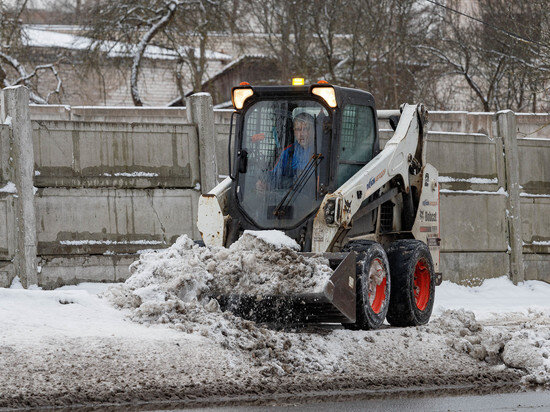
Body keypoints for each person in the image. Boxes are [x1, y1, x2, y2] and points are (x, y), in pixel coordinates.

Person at [256, 112, 316, 191]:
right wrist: (263, 181)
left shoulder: (320, 151)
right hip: (290, 197)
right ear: (294, 132)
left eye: (306, 129)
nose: (301, 134)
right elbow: (275, 175)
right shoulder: (289, 151)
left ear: (314, 130)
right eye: (298, 129)